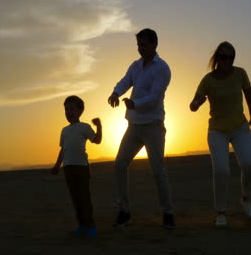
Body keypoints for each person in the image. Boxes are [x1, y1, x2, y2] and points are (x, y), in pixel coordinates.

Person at [107, 28, 175, 229]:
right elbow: (125, 81)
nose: (140, 48)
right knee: (119, 165)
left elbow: (155, 96)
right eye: (138, 44)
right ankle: (124, 211)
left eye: (143, 44)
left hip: (153, 126)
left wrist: (135, 104)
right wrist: (115, 93)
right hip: (134, 126)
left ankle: (168, 212)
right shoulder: (135, 66)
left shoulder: (162, 69)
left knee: (158, 170)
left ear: (154, 44)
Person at [189, 41, 251, 227]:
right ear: (217, 58)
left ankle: (246, 199)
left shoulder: (240, 73)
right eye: (223, 57)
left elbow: (250, 97)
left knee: (250, 164)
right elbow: (193, 105)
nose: (227, 61)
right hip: (217, 131)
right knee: (221, 170)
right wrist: (197, 103)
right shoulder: (208, 80)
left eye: (231, 57)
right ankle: (220, 212)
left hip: (240, 127)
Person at [50, 95, 102, 237]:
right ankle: (82, 225)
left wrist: (99, 126)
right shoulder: (64, 130)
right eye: (66, 110)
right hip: (68, 168)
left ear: (80, 111)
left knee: (85, 197)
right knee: (75, 198)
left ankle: (91, 225)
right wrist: (56, 166)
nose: (69, 112)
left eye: (72, 109)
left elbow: (97, 140)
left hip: (82, 168)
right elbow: (63, 149)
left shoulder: (84, 127)